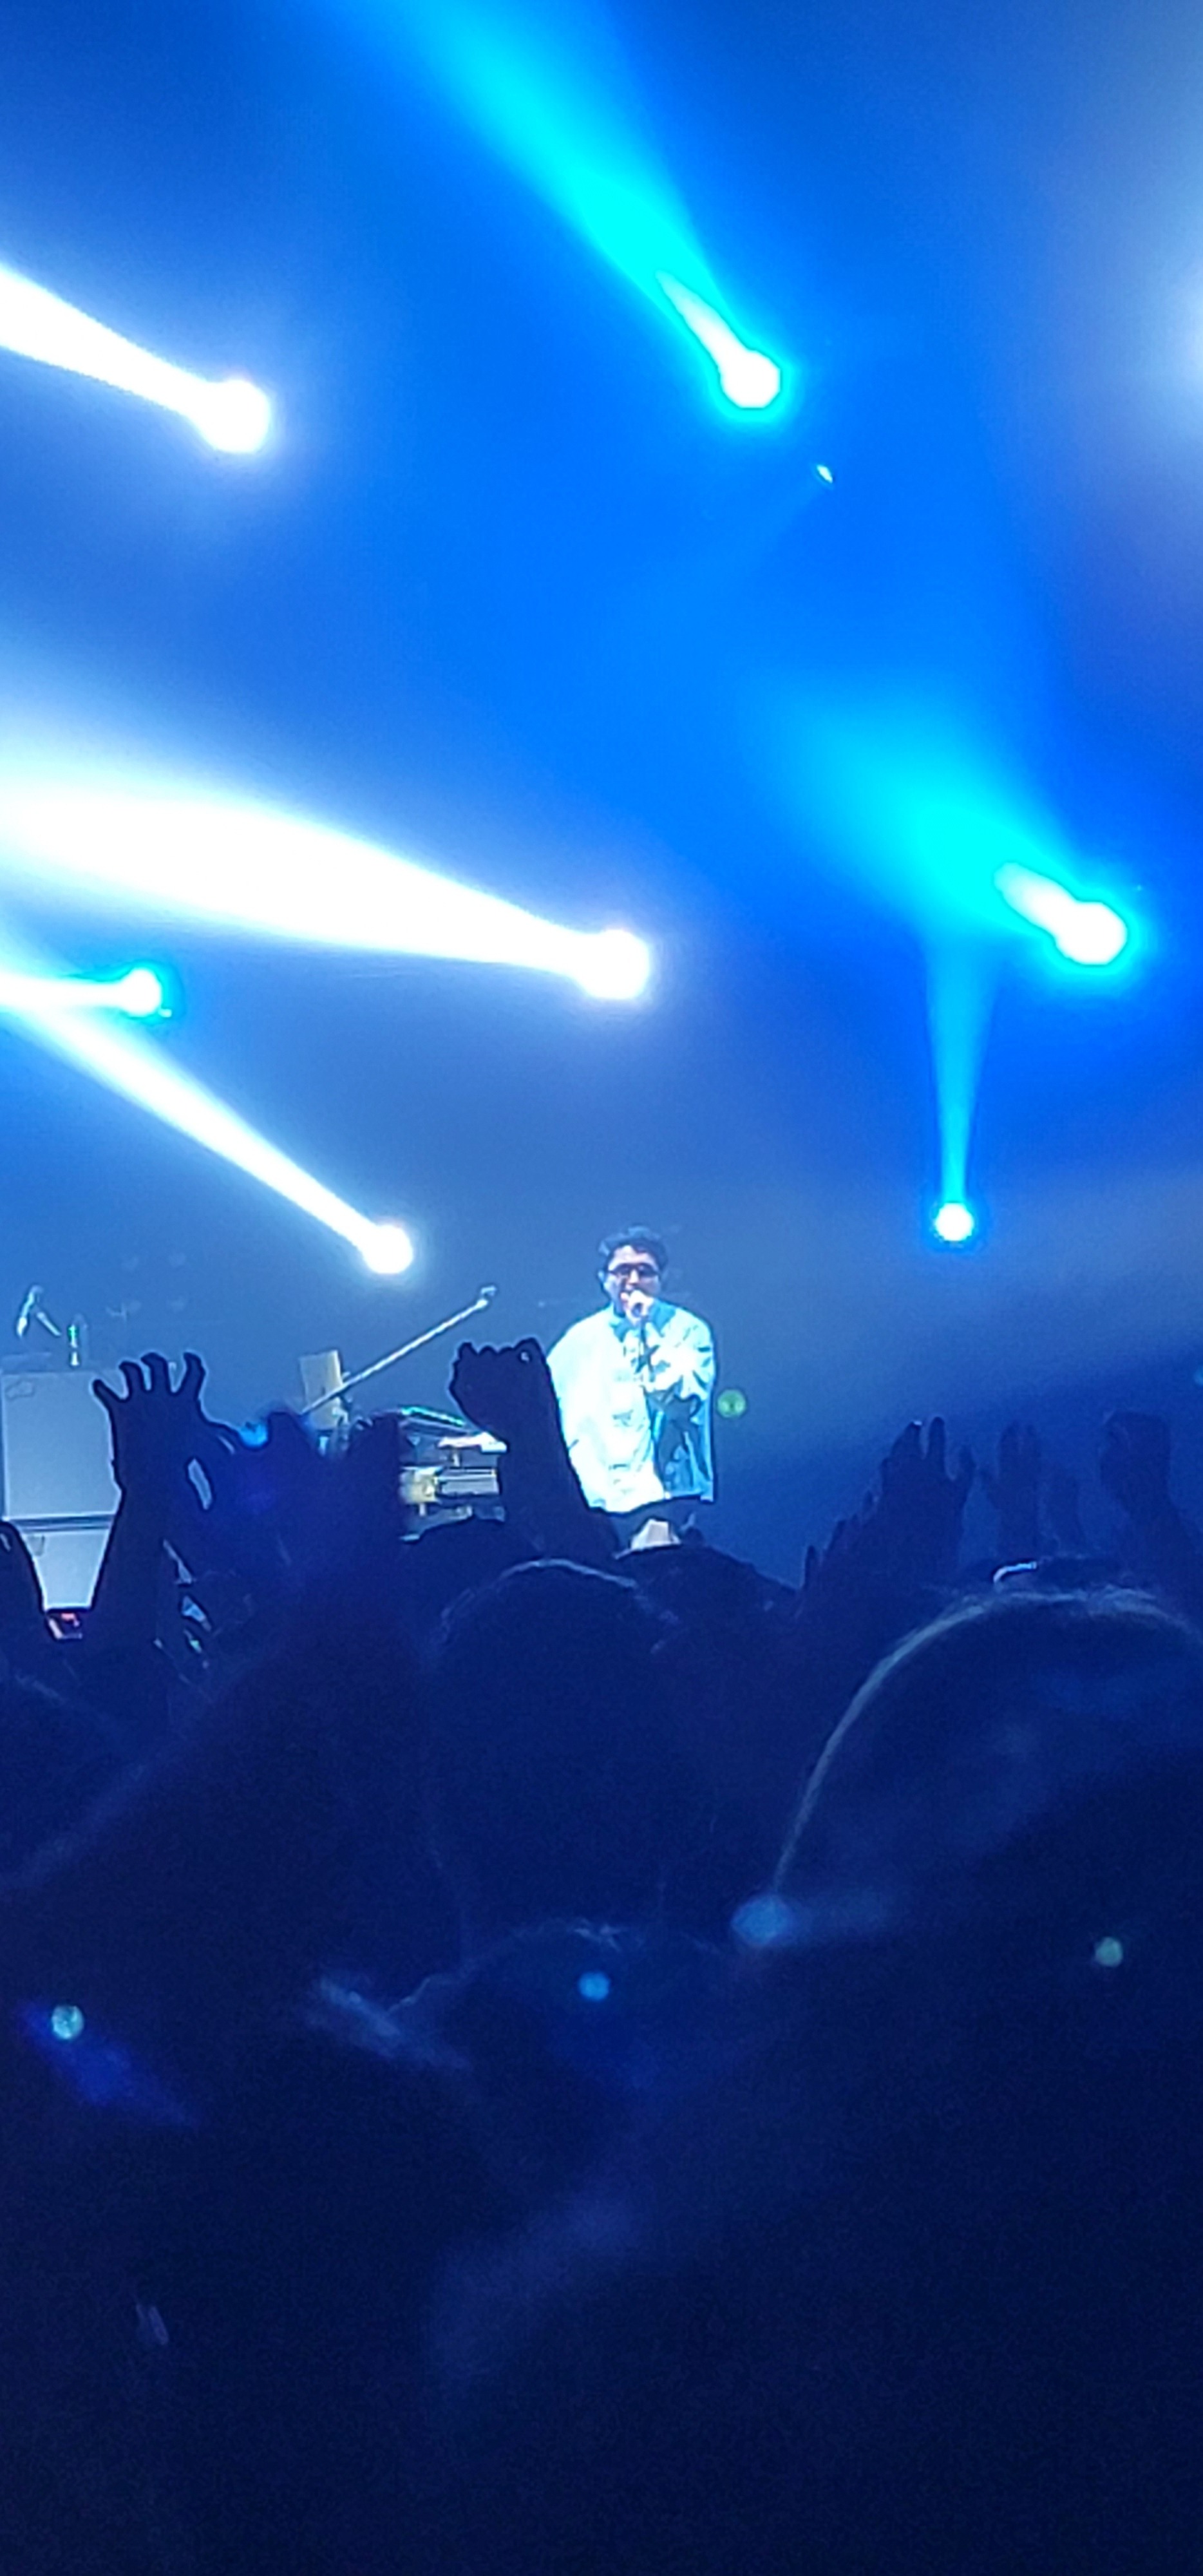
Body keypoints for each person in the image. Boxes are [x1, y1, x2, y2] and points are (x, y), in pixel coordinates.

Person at [547, 1230, 715, 1540]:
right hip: (593, 1498)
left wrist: (644, 1331)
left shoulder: (689, 1331)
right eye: (623, 1271)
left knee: (654, 1567)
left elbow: (681, 1401)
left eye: (645, 1271)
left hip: (661, 1497)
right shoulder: (578, 1339)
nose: (634, 1281)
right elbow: (544, 1407)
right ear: (604, 1280)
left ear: (662, 1279)